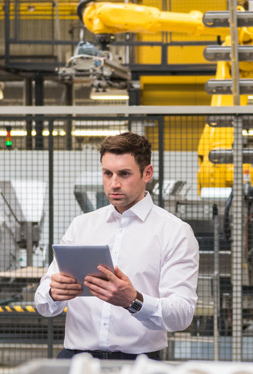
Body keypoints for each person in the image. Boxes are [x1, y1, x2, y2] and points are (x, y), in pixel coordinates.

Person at [35, 131, 200, 360]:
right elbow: (42, 303)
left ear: (147, 173)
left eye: (124, 174)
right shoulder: (81, 226)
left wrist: (134, 301)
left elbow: (182, 315)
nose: (114, 183)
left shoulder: (174, 232)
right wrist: (54, 293)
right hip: (76, 359)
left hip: (138, 362)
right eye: (107, 173)